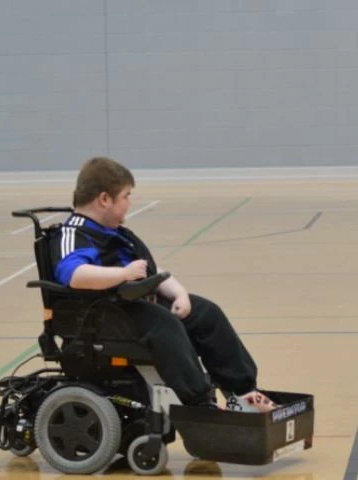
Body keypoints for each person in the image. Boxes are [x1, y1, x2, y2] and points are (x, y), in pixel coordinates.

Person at [50, 156, 276, 412]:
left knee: (205, 313)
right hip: (100, 315)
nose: (129, 203)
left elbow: (153, 272)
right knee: (164, 325)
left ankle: (242, 392)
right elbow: (75, 274)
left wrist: (179, 294)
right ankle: (200, 403)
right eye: (126, 196)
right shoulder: (73, 233)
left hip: (132, 306)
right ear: (104, 199)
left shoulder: (117, 234)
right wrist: (123, 274)